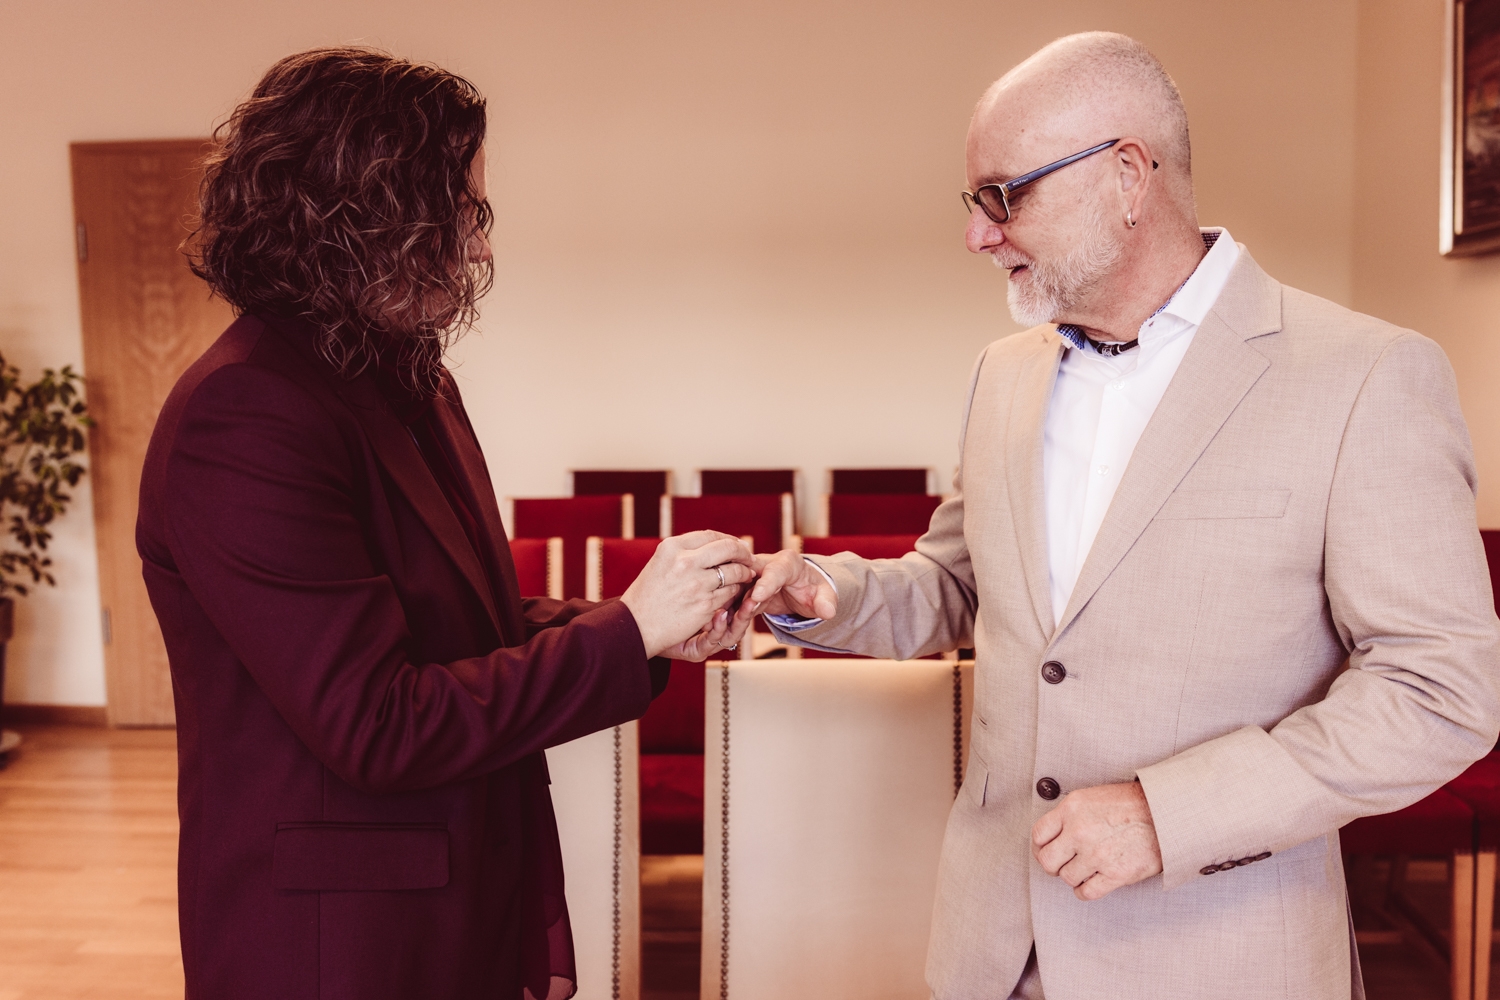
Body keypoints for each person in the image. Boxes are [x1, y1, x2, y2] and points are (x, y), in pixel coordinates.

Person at [735, 31, 1500, 1000]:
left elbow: (1440, 690)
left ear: (1128, 175)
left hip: (1220, 955)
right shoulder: (1002, 373)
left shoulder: (1368, 376)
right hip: (990, 948)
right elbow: (960, 583)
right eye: (976, 201)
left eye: (1003, 195)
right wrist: (823, 591)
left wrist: (1168, 814)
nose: (978, 233)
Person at [137, 48, 751, 1000]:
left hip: (460, 886)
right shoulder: (245, 412)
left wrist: (651, 629)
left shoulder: (403, 374)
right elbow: (378, 724)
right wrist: (631, 627)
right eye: (461, 210)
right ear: (359, 215)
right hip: (335, 940)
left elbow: (462, 624)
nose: (481, 246)